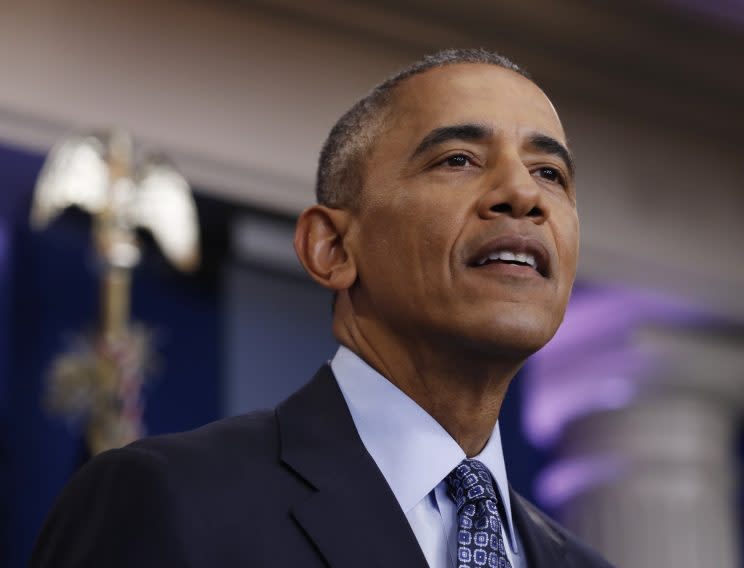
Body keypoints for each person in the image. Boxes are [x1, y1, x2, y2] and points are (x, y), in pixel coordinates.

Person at [31, 49, 613, 567]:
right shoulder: (169, 500)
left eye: (549, 173)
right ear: (331, 248)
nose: (525, 194)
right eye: (458, 159)